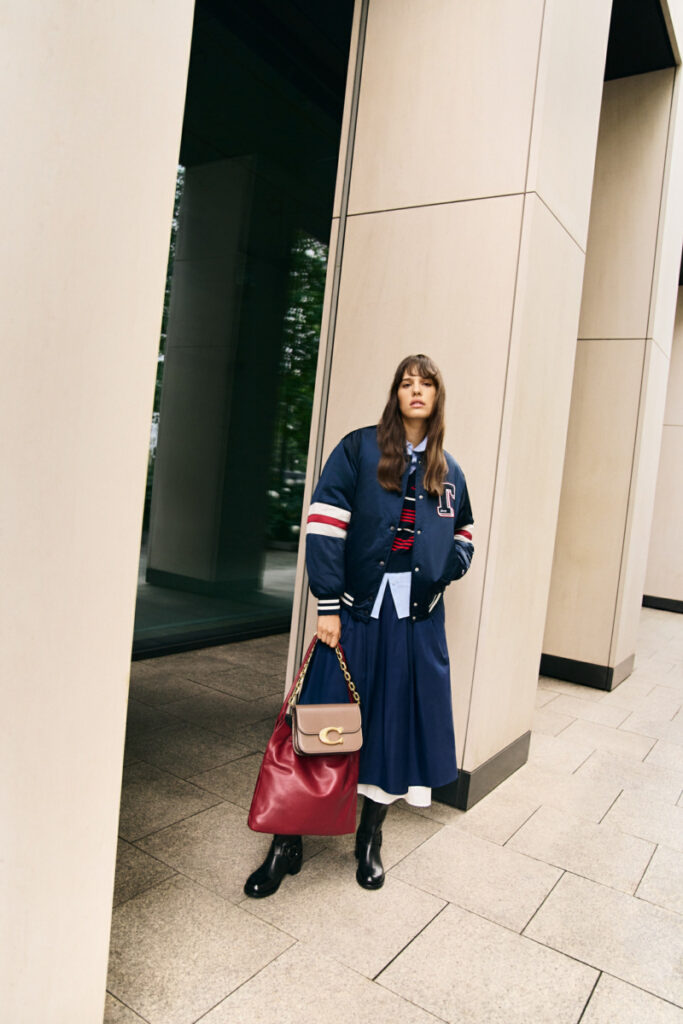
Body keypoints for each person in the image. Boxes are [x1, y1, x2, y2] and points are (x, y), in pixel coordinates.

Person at [244, 354, 474, 898]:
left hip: (414, 621)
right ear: (395, 394)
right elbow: (325, 523)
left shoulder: (450, 470)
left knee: (390, 725)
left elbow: (464, 533)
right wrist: (327, 605)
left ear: (438, 398)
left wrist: (444, 573)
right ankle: (286, 840)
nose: (416, 391)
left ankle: (369, 839)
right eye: (406, 383)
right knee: (324, 720)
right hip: (351, 612)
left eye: (427, 384)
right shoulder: (358, 448)